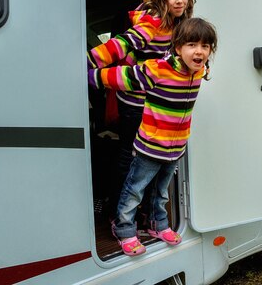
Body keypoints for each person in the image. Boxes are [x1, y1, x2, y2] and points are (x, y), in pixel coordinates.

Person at [88, 17, 218, 256]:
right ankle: (124, 228)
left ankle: (158, 225)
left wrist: (204, 67)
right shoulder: (158, 69)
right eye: (191, 45)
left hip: (175, 147)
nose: (199, 51)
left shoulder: (200, 71)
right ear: (178, 47)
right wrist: (91, 76)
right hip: (149, 146)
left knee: (161, 191)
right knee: (135, 189)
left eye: (205, 46)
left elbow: (204, 68)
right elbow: (123, 77)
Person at [87, 0, 196, 216]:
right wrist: (90, 62)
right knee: (131, 156)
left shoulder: (181, 24)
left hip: (157, 100)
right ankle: (119, 212)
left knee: (153, 159)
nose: (179, 1)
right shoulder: (153, 22)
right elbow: (122, 44)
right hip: (136, 100)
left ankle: (144, 214)